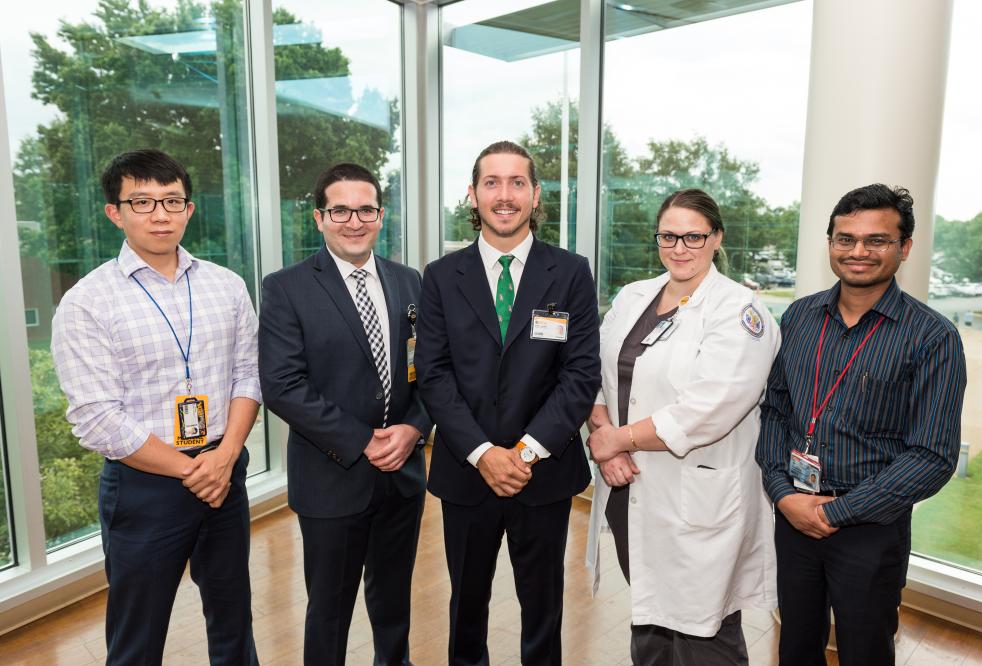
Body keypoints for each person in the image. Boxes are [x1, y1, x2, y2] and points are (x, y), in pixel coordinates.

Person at [51, 149, 261, 665]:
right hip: (145, 483)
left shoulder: (226, 285)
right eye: (142, 202)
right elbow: (97, 418)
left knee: (233, 620)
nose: (160, 214)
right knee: (137, 637)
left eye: (172, 201)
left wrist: (225, 456)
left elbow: (248, 376)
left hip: (223, 470)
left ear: (190, 209)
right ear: (114, 212)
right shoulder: (87, 302)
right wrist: (194, 470)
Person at [755, 184, 967, 666]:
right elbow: (777, 411)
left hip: (871, 527)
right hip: (794, 513)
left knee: (865, 652)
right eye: (845, 238)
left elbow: (932, 456)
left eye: (877, 240)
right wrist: (782, 492)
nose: (858, 252)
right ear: (830, 243)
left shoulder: (933, 337)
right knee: (794, 647)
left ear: (904, 247)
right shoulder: (801, 316)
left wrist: (835, 513)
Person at [415, 140, 601, 665]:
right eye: (491, 183)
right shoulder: (440, 277)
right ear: (472, 195)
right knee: (465, 607)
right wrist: (483, 452)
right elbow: (433, 373)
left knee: (542, 608)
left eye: (517, 182)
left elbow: (580, 373)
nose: (504, 195)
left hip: (542, 473)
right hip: (466, 470)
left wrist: (524, 453)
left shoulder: (569, 272)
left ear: (535, 195)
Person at [585, 188, 780, 665]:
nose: (679, 247)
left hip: (698, 496)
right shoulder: (634, 296)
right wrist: (606, 442)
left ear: (717, 238)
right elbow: (595, 374)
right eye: (668, 236)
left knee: (704, 628)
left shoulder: (739, 311)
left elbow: (708, 409)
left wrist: (617, 439)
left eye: (693, 236)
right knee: (649, 616)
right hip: (629, 486)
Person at [258, 163, 430, 666]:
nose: (353, 221)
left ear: (381, 215)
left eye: (365, 210)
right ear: (319, 217)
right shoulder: (286, 288)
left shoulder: (408, 281)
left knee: (394, 600)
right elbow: (283, 386)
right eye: (340, 210)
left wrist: (416, 427)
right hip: (332, 477)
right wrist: (363, 440)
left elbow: (432, 371)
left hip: (402, 474)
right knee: (329, 610)